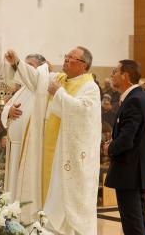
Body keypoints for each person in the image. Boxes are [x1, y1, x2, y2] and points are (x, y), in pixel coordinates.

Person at [43, 46, 101, 235]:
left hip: (75, 156)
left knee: (72, 201)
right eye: (66, 56)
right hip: (59, 147)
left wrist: (59, 93)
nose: (66, 59)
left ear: (84, 65)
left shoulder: (90, 87)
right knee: (56, 196)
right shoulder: (61, 79)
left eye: (71, 58)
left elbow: (83, 112)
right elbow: (38, 78)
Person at [104, 60, 145, 235]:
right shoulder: (142, 97)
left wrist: (110, 148)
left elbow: (128, 138)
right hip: (137, 170)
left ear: (125, 75)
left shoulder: (134, 100)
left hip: (130, 170)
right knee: (139, 219)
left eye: (115, 71)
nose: (112, 74)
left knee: (132, 224)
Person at [0, 50, 50, 221]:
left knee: (23, 186)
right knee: (12, 186)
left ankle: (24, 218)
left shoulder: (42, 87)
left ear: (41, 68)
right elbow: (6, 107)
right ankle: (11, 215)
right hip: (14, 147)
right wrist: (8, 111)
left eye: (29, 66)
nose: (23, 70)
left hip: (28, 148)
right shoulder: (23, 89)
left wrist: (17, 62)